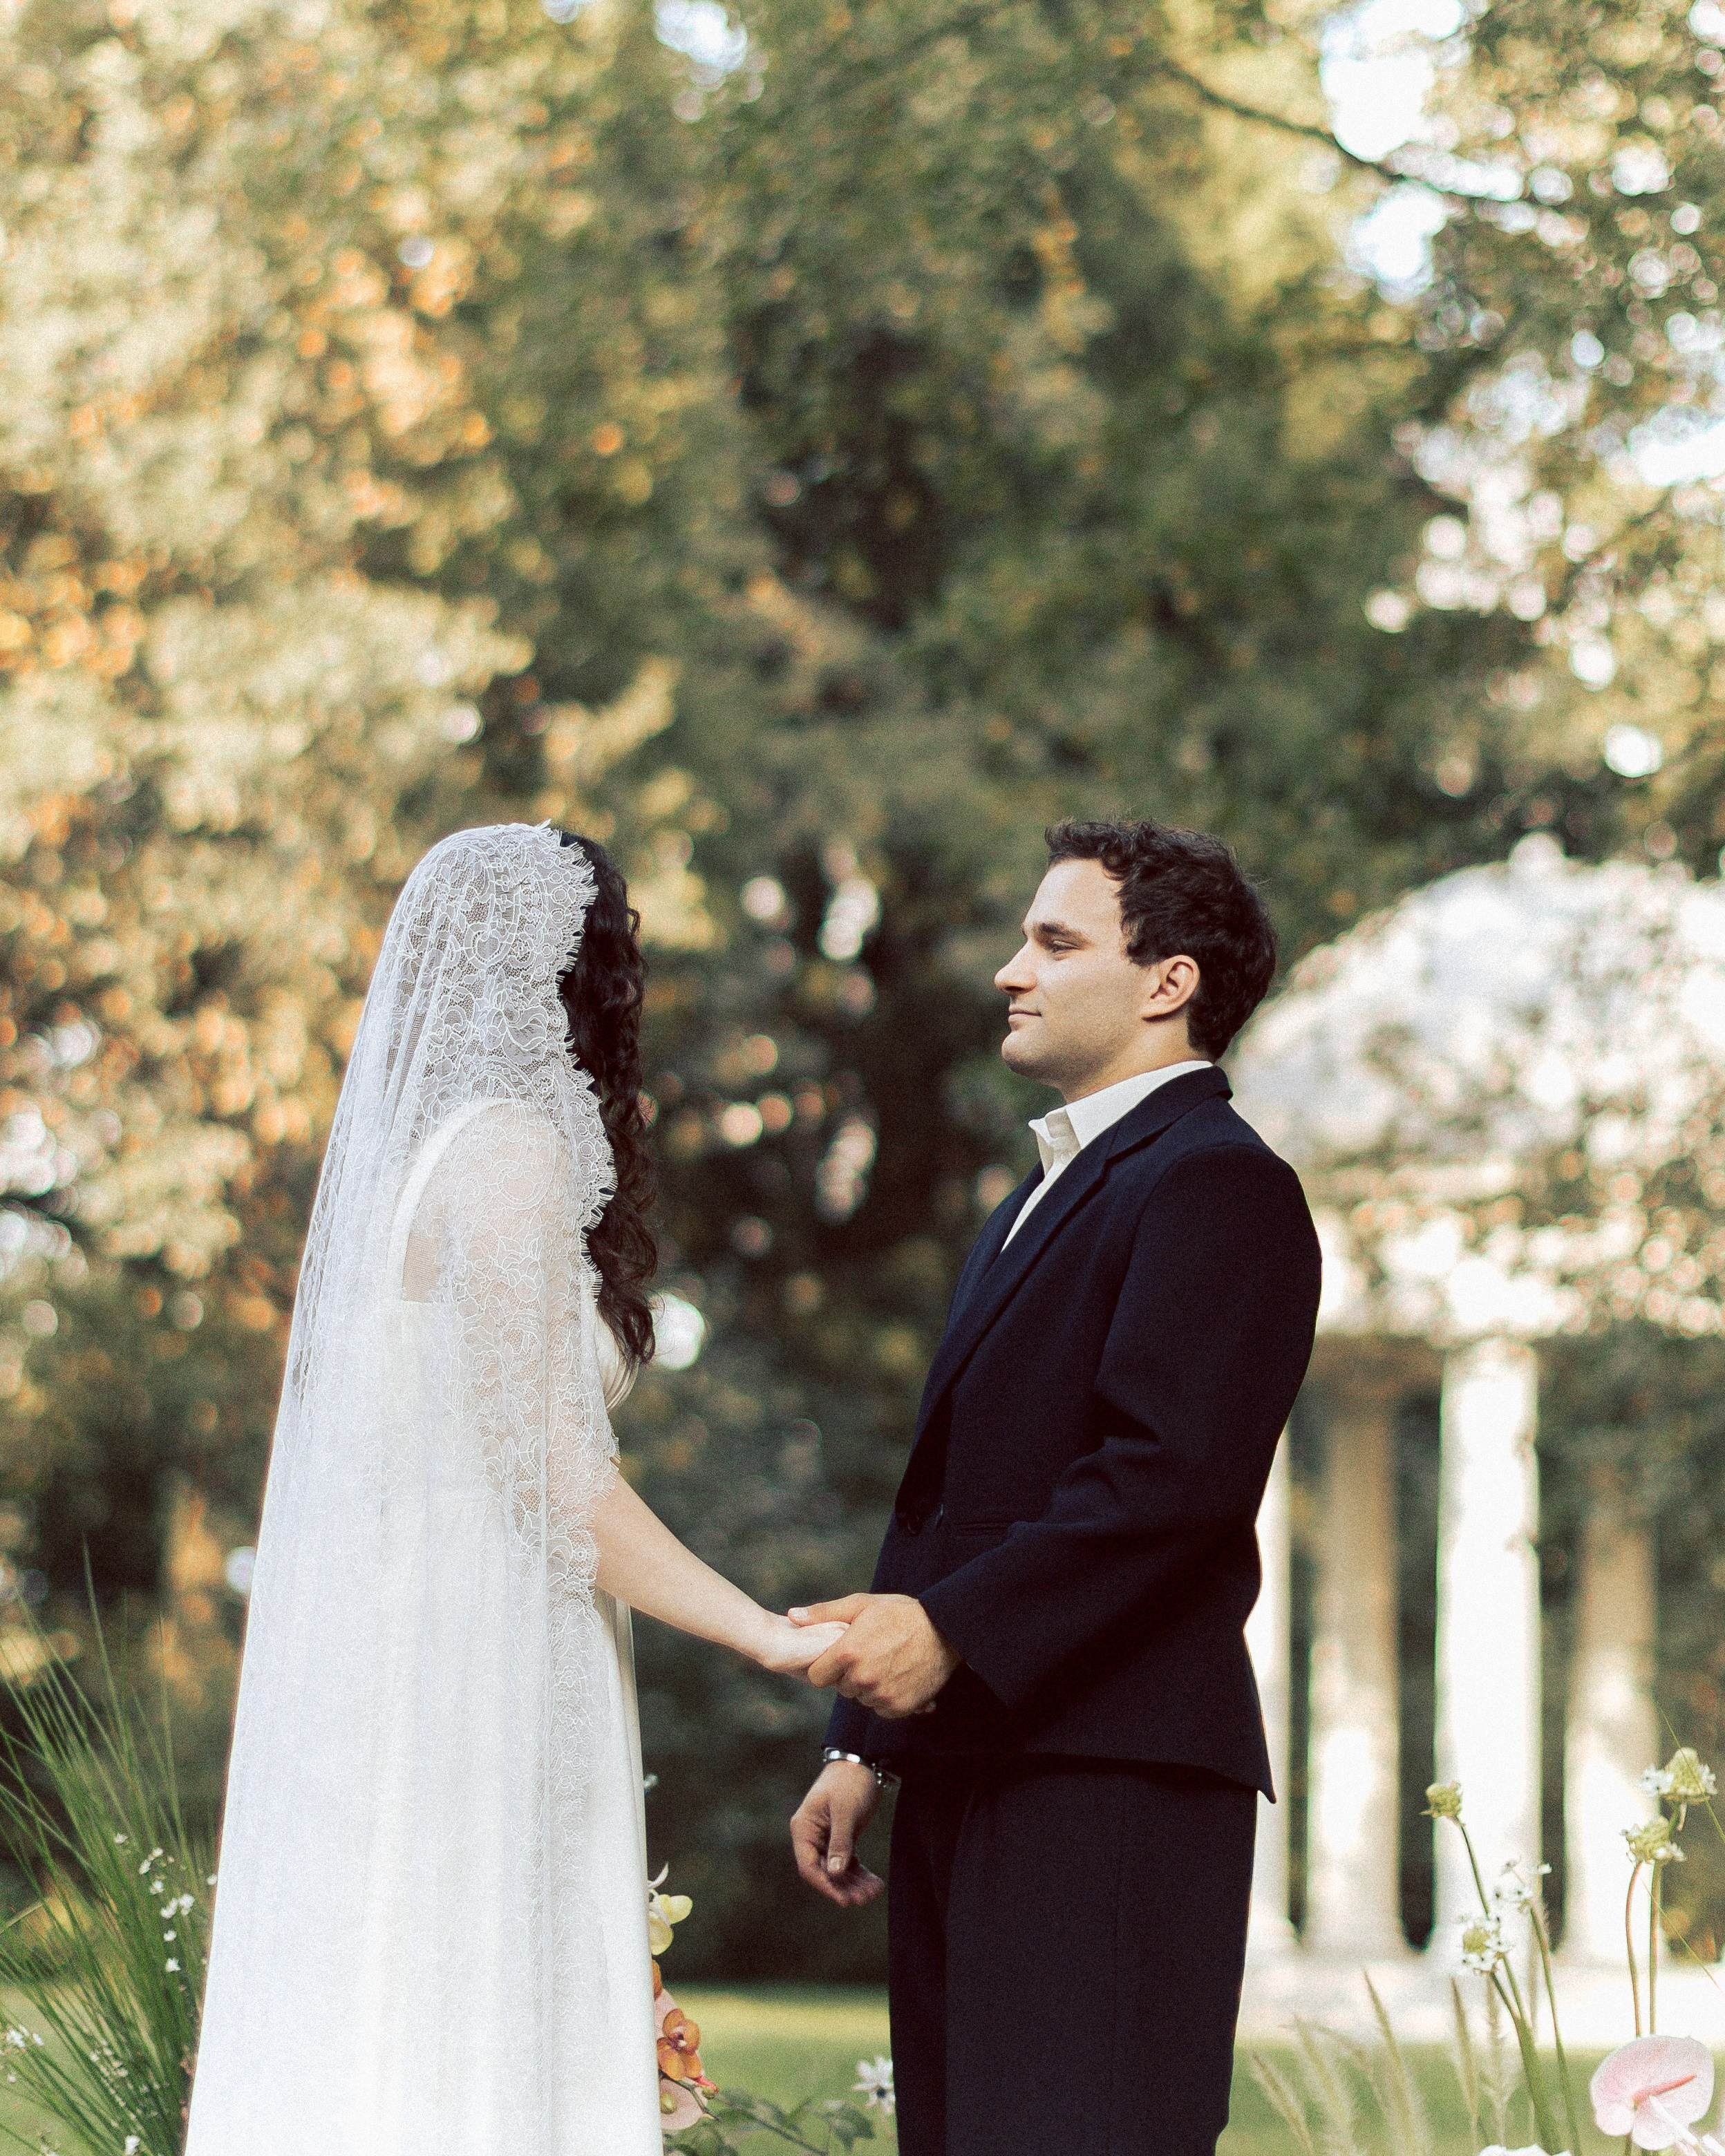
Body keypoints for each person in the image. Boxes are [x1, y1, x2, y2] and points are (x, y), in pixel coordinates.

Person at [186, 822, 841, 2156]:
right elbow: (545, 1472)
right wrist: (765, 1631)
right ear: (583, 971)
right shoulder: (506, 1160)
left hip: (437, 1635)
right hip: (481, 1663)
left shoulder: (433, 1160)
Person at [788, 816, 1322, 2156]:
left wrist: (950, 1629)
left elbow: (1169, 1482)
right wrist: (870, 1740)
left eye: (1054, 941)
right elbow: (959, 1492)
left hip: (1113, 1781)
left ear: (1169, 982)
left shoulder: (1220, 1183)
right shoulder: (1036, 1197)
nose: (1008, 973)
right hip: (978, 1759)